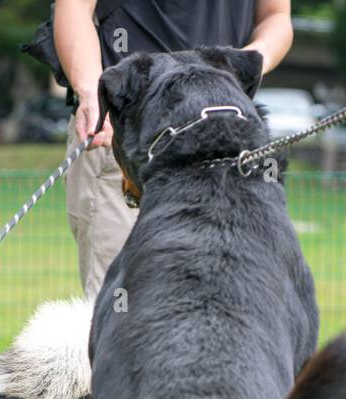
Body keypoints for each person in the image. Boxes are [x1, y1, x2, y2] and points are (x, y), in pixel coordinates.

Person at [55, 0, 294, 297]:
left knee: (239, 302)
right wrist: (92, 92)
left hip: (227, 142)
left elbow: (276, 17)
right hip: (125, 139)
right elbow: (74, 7)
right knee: (129, 310)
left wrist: (241, 63)